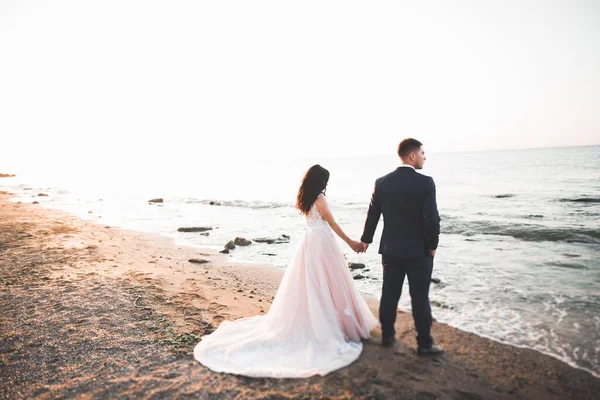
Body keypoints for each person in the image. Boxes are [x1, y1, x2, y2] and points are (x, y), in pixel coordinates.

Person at [194, 164, 378, 378]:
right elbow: (332, 223)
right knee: (328, 281)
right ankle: (331, 323)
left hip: (311, 241)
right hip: (322, 243)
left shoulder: (306, 198)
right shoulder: (320, 198)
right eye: (326, 180)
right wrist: (350, 242)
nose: (327, 184)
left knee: (313, 282)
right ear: (321, 181)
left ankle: (324, 318)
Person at [358, 138, 443, 355]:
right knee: (420, 296)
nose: (425, 157)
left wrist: (366, 240)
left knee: (389, 293)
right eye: (423, 153)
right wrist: (432, 245)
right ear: (412, 156)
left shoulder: (382, 182)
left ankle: (387, 336)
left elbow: (372, 216)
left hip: (391, 250)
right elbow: (431, 220)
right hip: (419, 252)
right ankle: (424, 344)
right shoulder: (426, 183)